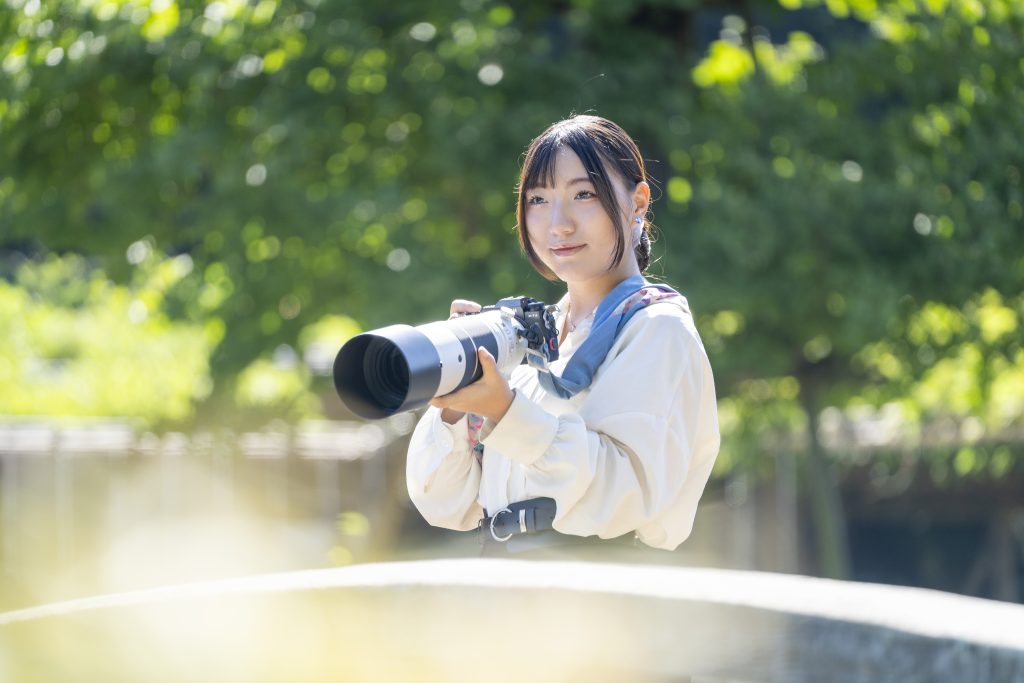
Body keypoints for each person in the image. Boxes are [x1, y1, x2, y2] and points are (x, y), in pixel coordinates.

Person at [405, 114, 720, 561]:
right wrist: (458, 405)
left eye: (583, 194)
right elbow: (447, 503)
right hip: (506, 595)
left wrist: (504, 411)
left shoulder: (656, 329)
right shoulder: (525, 339)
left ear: (639, 202)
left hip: (601, 600)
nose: (559, 223)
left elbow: (620, 499)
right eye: (538, 198)